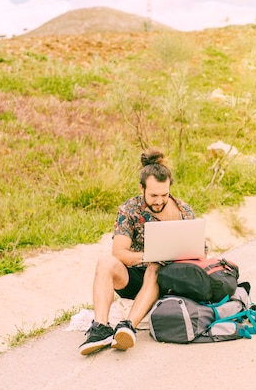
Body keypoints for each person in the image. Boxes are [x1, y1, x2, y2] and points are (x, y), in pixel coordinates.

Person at [79, 147, 196, 355]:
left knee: (155, 267)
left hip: (169, 279)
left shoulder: (184, 210)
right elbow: (119, 252)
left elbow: (198, 249)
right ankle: (100, 328)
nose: (159, 200)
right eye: (153, 195)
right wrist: (149, 255)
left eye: (164, 195)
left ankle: (127, 326)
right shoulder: (129, 210)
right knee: (106, 262)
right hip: (134, 277)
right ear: (142, 188)